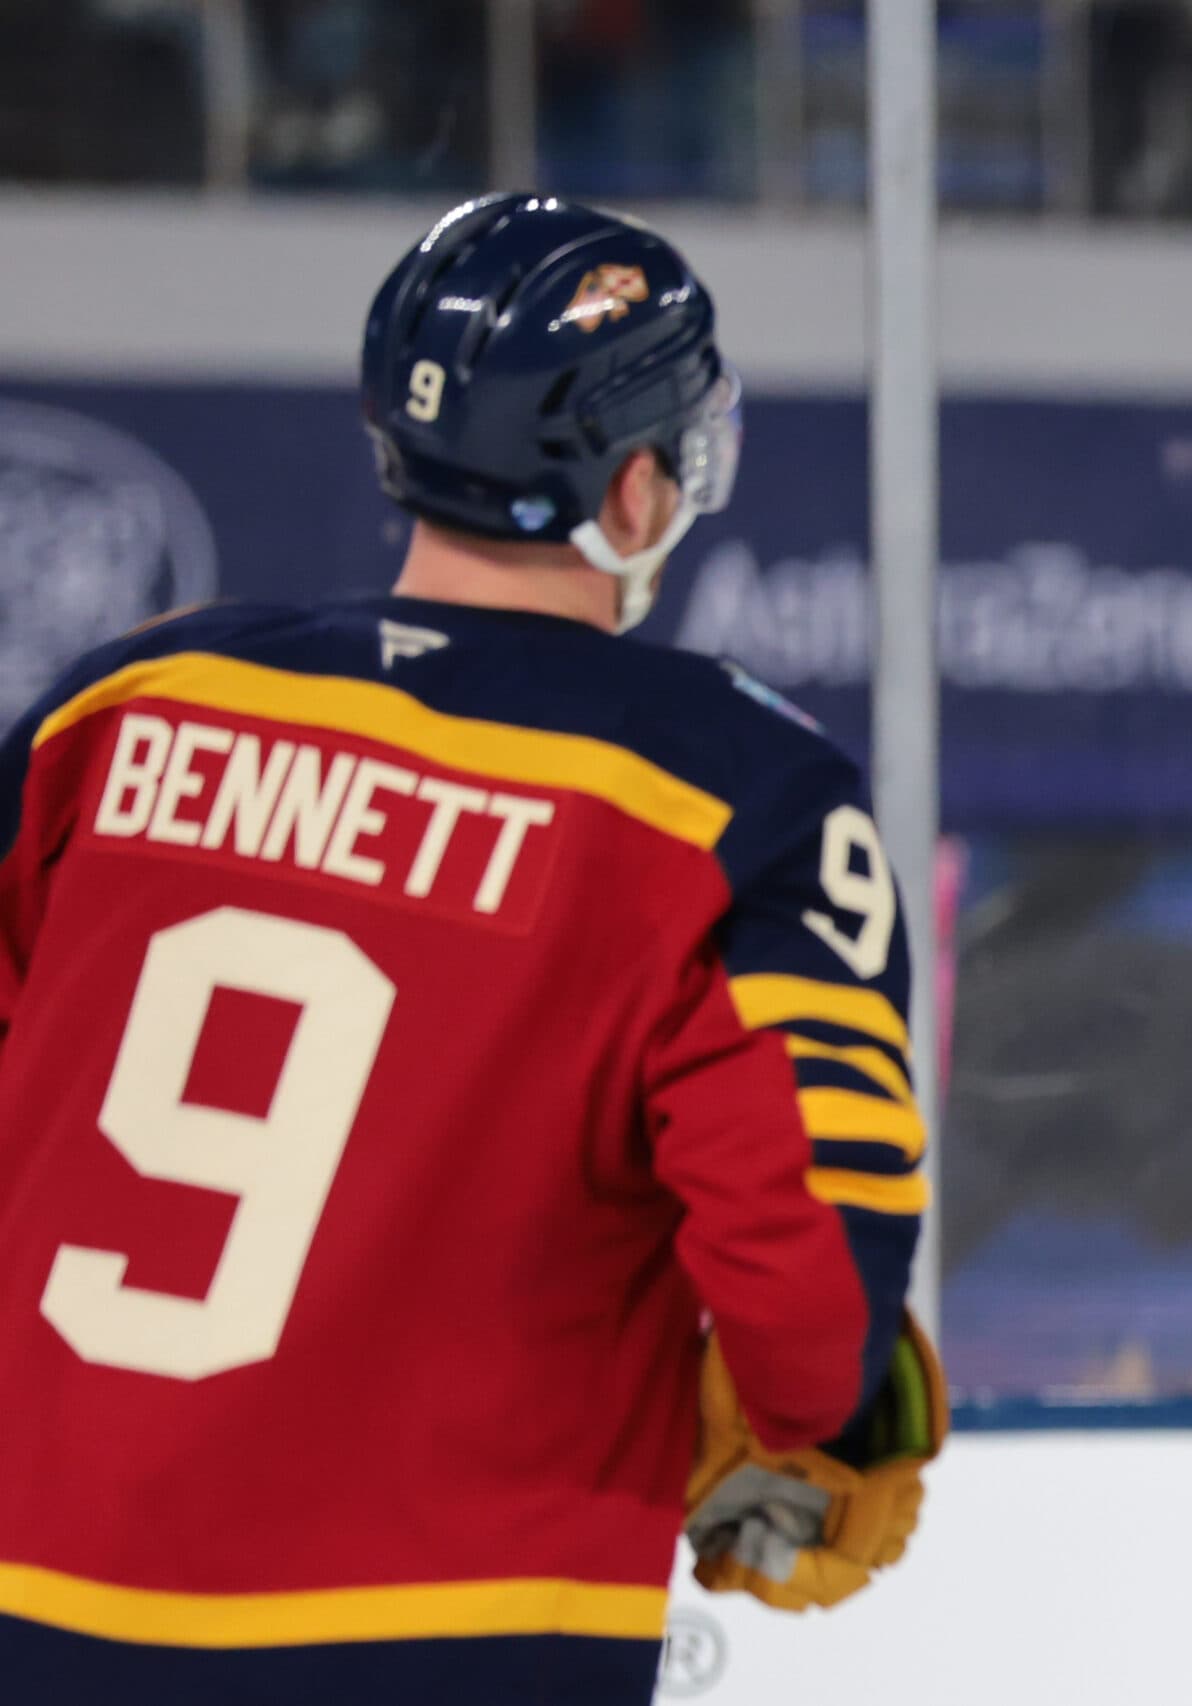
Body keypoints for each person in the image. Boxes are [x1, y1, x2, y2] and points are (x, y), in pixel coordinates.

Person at [0, 194, 939, 1705]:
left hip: (29, 1599)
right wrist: (822, 1416)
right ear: (636, 493)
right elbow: (811, 1307)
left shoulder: (115, 711)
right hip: (444, 1628)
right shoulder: (732, 795)